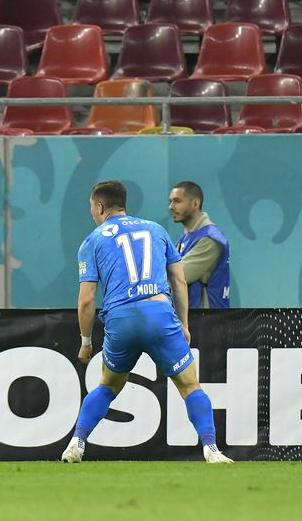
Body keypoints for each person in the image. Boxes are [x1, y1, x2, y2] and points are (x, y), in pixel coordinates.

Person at [61, 180, 232, 464]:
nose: (92, 212)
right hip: (159, 314)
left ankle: (76, 443)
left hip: (121, 319)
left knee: (107, 385)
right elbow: (178, 279)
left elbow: (87, 300)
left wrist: (86, 342)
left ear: (100, 207)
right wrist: (184, 324)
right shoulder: (156, 229)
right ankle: (212, 450)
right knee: (190, 386)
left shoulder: (92, 241)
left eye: (92, 207)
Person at [168, 180, 231, 309]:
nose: (171, 207)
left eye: (177, 201)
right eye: (171, 201)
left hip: (208, 322)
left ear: (195, 203)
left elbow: (178, 277)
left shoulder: (210, 239)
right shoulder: (184, 238)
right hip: (192, 320)